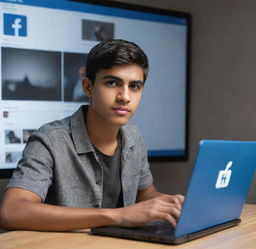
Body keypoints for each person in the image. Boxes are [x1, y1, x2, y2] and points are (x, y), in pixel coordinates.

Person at [0, 39, 184, 231]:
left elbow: (145, 193)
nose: (125, 97)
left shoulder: (133, 136)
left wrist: (169, 205)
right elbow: (11, 212)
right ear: (88, 87)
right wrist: (117, 216)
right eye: (113, 83)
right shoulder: (50, 139)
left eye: (134, 87)